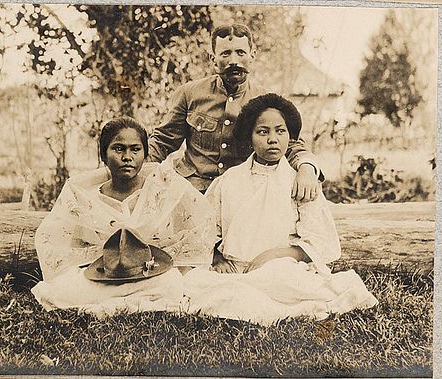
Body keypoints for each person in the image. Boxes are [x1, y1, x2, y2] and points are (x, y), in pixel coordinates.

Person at [182, 94, 378, 325]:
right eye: (263, 132)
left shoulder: (300, 181)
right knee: (192, 280)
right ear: (249, 138)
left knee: (282, 280)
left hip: (281, 268)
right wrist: (217, 258)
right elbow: (204, 232)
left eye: (280, 131)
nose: (272, 139)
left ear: (290, 136)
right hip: (234, 267)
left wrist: (275, 255)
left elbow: (319, 242)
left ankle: (248, 299)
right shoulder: (229, 181)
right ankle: (246, 295)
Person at [32, 117, 216, 316]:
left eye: (135, 149)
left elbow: (200, 221)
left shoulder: (162, 189)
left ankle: (120, 302)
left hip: (152, 276)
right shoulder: (87, 198)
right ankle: (132, 302)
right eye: (118, 149)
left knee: (172, 283)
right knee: (60, 290)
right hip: (103, 278)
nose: (127, 157)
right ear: (104, 155)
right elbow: (59, 242)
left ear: (145, 155)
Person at [148, 23, 321, 198]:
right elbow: (163, 142)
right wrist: (135, 171)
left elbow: (291, 143)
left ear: (252, 55)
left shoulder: (265, 100)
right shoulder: (189, 93)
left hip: (242, 193)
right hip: (193, 191)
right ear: (213, 59)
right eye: (225, 53)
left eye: (240, 52)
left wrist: (307, 168)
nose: (233, 61)